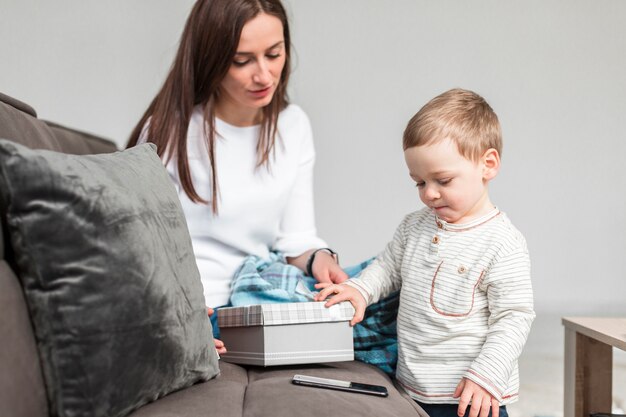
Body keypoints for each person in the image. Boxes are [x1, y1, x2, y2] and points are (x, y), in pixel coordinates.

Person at [127, 0, 348, 354]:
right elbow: (142, 247)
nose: (263, 76)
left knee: (382, 290)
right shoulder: (170, 131)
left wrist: (319, 259)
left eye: (274, 54)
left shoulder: (293, 125)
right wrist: (176, 314)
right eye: (241, 61)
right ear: (210, 60)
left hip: (262, 296)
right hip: (205, 309)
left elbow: (296, 238)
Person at [315, 89, 535, 417]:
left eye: (443, 180)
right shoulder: (413, 226)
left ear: (487, 165)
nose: (429, 194)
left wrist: (488, 374)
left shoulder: (502, 241)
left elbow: (514, 317)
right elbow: (388, 267)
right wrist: (359, 290)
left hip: (472, 396)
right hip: (413, 388)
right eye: (419, 182)